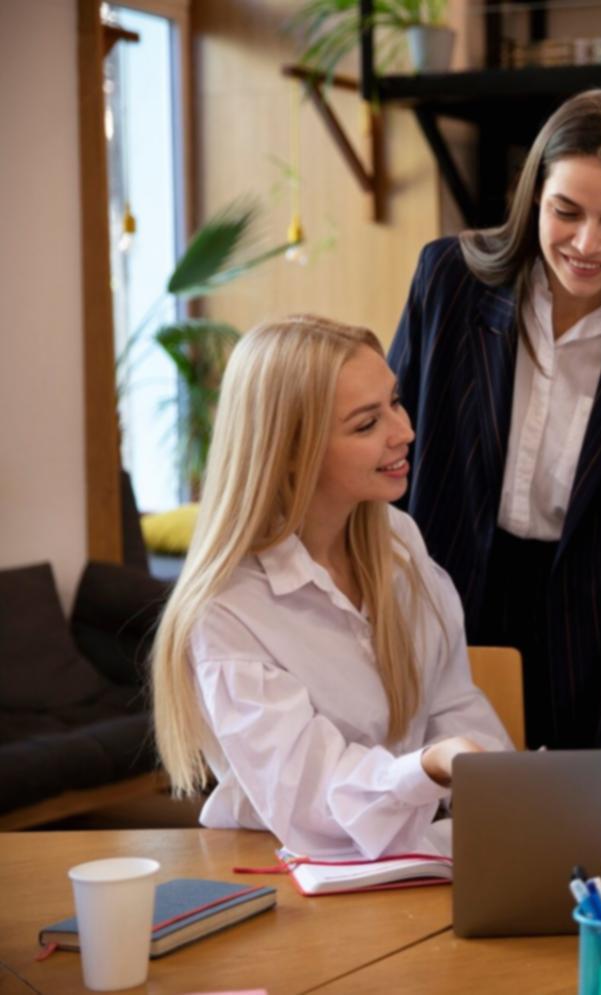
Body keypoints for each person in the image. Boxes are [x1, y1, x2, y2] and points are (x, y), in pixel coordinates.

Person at [389, 89, 601, 750]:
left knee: (570, 831)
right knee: (434, 820)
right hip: (442, 595)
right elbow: (390, 457)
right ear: (533, 198)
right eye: (566, 212)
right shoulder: (449, 282)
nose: (587, 243)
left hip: (593, 623)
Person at [151, 315, 510, 861]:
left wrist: (513, 798)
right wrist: (432, 766)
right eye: (367, 425)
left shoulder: (397, 541)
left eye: (395, 401)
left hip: (410, 859)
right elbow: (312, 802)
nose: (404, 431)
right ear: (290, 451)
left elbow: (452, 704)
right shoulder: (228, 610)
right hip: (287, 877)